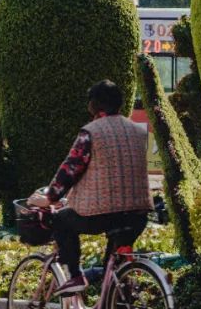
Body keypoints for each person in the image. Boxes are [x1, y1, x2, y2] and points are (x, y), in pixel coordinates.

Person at [27, 80, 153, 296]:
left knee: (61, 220)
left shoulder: (91, 132)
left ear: (94, 105)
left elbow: (71, 169)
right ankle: (118, 308)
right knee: (112, 270)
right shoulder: (137, 131)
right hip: (138, 214)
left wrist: (50, 197)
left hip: (103, 214)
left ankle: (75, 276)